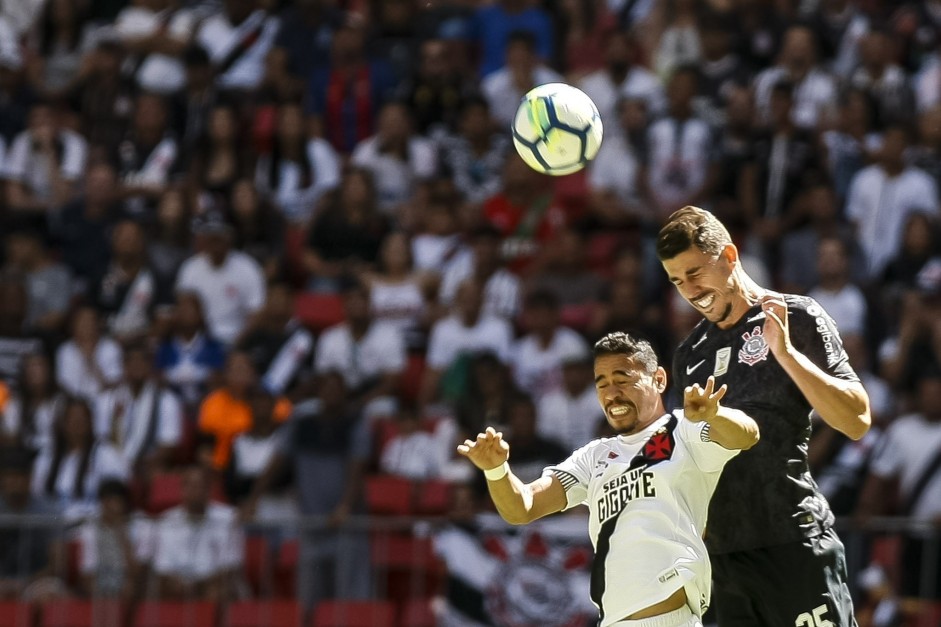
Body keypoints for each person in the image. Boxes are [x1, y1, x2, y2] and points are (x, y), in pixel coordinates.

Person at [656, 206, 871, 626]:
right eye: (677, 281)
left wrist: (787, 354)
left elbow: (856, 420)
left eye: (696, 272)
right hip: (724, 560)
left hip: (792, 542)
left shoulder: (797, 315)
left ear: (730, 257)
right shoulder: (689, 354)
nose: (690, 290)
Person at [457, 332, 759, 626]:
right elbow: (522, 508)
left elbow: (746, 436)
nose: (611, 393)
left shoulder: (685, 430)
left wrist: (715, 414)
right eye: (602, 384)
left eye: (622, 380)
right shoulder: (593, 456)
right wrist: (496, 471)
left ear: (659, 380)